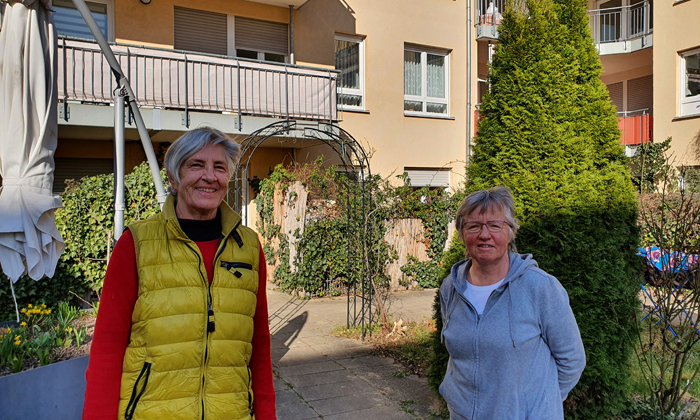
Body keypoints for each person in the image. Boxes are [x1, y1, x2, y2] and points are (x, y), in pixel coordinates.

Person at [82, 127, 276, 420]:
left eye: (219, 167)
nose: (209, 176)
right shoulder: (137, 244)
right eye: (196, 165)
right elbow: (107, 349)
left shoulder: (248, 246)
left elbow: (259, 346)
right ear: (173, 178)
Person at [439, 186, 585, 420]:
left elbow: (572, 359)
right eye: (474, 226)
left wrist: (539, 405)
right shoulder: (451, 287)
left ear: (511, 232)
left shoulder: (539, 287)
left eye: (495, 225)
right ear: (462, 233)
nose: (484, 235)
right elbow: (457, 356)